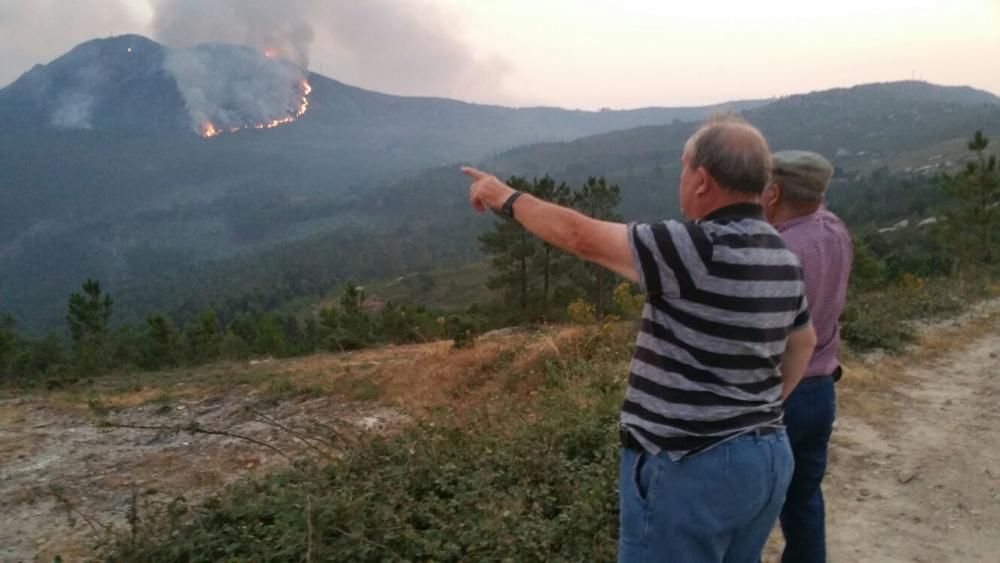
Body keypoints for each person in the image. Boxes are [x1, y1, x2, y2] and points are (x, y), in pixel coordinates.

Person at [462, 114, 817, 563]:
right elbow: (803, 343)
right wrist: (750, 414)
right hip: (766, 457)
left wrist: (504, 196)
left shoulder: (697, 247)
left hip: (692, 465)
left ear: (702, 180)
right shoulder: (782, 254)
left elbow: (579, 235)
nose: (682, 180)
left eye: (683, 170)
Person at [761, 151, 853, 563]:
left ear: (774, 191)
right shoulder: (835, 230)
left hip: (782, 393)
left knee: (751, 508)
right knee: (804, 504)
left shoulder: (776, 251)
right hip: (822, 391)